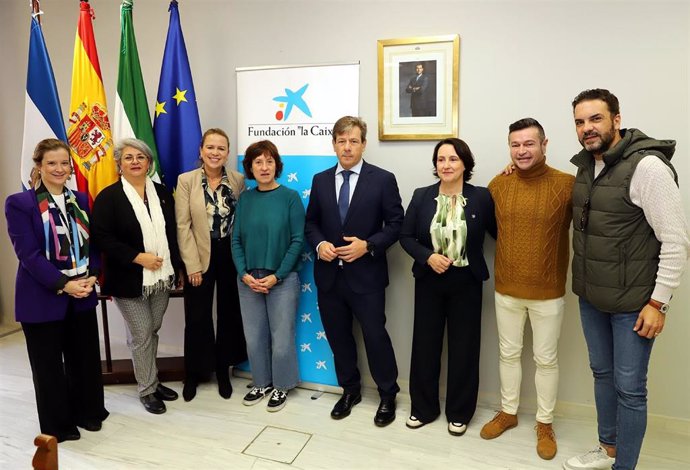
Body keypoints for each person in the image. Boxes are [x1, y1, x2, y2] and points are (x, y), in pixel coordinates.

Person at [563, 89, 689, 470]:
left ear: (617, 120)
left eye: (596, 119)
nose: (587, 128)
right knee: (602, 374)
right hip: (592, 297)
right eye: (580, 122)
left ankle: (625, 467)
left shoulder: (647, 167)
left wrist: (658, 302)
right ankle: (608, 449)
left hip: (634, 304)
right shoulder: (587, 166)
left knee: (630, 390)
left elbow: (677, 240)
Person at [480, 118, 574, 461]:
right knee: (508, 353)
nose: (522, 151)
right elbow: (491, 228)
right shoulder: (497, 185)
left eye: (529, 144)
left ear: (544, 144)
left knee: (545, 359)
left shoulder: (567, 185)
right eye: (515, 145)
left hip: (548, 291)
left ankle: (545, 422)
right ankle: (508, 412)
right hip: (506, 287)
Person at [5, 138, 109, 442]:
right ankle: (59, 426)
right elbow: (28, 254)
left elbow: (94, 244)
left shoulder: (81, 199)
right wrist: (64, 284)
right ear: (39, 166)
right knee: (48, 366)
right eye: (52, 163)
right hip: (41, 296)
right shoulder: (20, 203)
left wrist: (93, 275)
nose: (59, 169)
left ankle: (89, 413)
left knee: (85, 359)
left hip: (83, 292)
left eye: (65, 163)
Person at [305, 116, 404, 427]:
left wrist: (369, 246)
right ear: (333, 143)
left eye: (353, 141)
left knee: (375, 337)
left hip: (367, 277)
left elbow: (396, 224)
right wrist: (320, 244)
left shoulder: (383, 179)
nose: (347, 147)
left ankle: (388, 394)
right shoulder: (320, 180)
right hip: (329, 277)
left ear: (363, 144)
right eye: (341, 140)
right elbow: (311, 223)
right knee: (339, 337)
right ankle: (350, 390)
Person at [399, 138, 496, 436]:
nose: (446, 165)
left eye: (453, 159)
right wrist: (428, 257)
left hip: (466, 282)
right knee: (425, 346)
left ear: (465, 163)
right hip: (430, 280)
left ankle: (460, 412)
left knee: (464, 349)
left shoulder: (482, 197)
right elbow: (406, 237)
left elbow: (499, 233)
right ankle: (423, 408)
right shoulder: (421, 196)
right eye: (441, 159)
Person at [91, 138, 182, 415]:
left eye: (140, 157)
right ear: (119, 163)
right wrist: (137, 257)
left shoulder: (163, 193)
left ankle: (152, 378)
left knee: (152, 328)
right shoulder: (109, 197)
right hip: (127, 279)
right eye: (129, 157)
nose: (135, 162)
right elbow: (101, 238)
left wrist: (176, 267)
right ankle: (147, 388)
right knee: (142, 332)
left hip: (161, 276)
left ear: (149, 163)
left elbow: (172, 233)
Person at [231, 140, 304, 412]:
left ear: (277, 165)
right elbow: (236, 239)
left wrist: (278, 276)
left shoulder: (290, 197)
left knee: (282, 337)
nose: (264, 167)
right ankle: (261, 382)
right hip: (249, 280)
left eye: (269, 161)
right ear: (250, 167)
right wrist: (244, 274)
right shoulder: (246, 199)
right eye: (258, 162)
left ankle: (281, 386)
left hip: (282, 280)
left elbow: (298, 241)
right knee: (254, 336)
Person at [176, 128, 247, 402]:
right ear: (201, 151)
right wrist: (191, 265)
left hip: (229, 254)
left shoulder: (238, 180)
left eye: (221, 148)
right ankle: (194, 373)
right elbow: (183, 226)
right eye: (210, 147)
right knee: (197, 317)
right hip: (199, 255)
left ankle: (222, 371)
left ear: (227, 153)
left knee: (229, 314)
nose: (215, 153)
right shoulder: (187, 181)